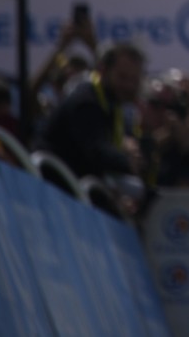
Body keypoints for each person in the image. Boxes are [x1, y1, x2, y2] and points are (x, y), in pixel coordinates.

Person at [34, 40, 147, 217]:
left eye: (134, 80)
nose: (129, 86)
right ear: (103, 71)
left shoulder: (114, 108)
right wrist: (128, 162)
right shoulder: (86, 102)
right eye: (122, 77)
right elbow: (96, 151)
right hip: (54, 199)